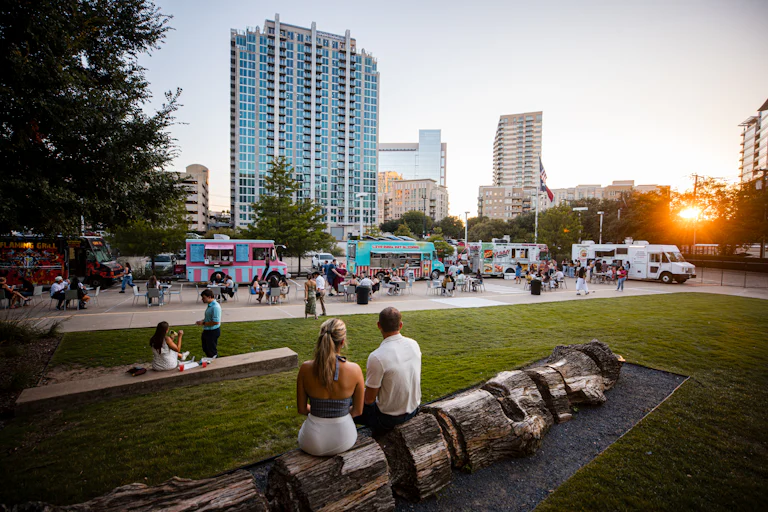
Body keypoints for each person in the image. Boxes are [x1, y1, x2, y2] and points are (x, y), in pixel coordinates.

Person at [296, 319, 365, 456]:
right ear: (343, 342)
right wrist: (339, 413)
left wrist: (321, 411)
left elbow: (302, 409)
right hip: (344, 439)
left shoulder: (305, 368)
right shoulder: (355, 370)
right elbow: (357, 411)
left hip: (311, 441)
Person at [353, 307, 421, 434]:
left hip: (388, 419)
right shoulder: (414, 345)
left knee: (345, 403)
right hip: (413, 409)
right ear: (400, 325)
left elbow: (369, 400)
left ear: (379, 325)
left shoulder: (377, 357)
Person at [196, 289, 221, 358]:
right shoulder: (210, 305)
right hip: (207, 330)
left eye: (204, 298)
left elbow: (216, 322)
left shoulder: (215, 307)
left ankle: (215, 362)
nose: (202, 299)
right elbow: (209, 317)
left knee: (211, 350)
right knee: (205, 348)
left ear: (209, 297)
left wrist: (203, 323)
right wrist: (202, 321)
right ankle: (210, 359)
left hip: (212, 331)